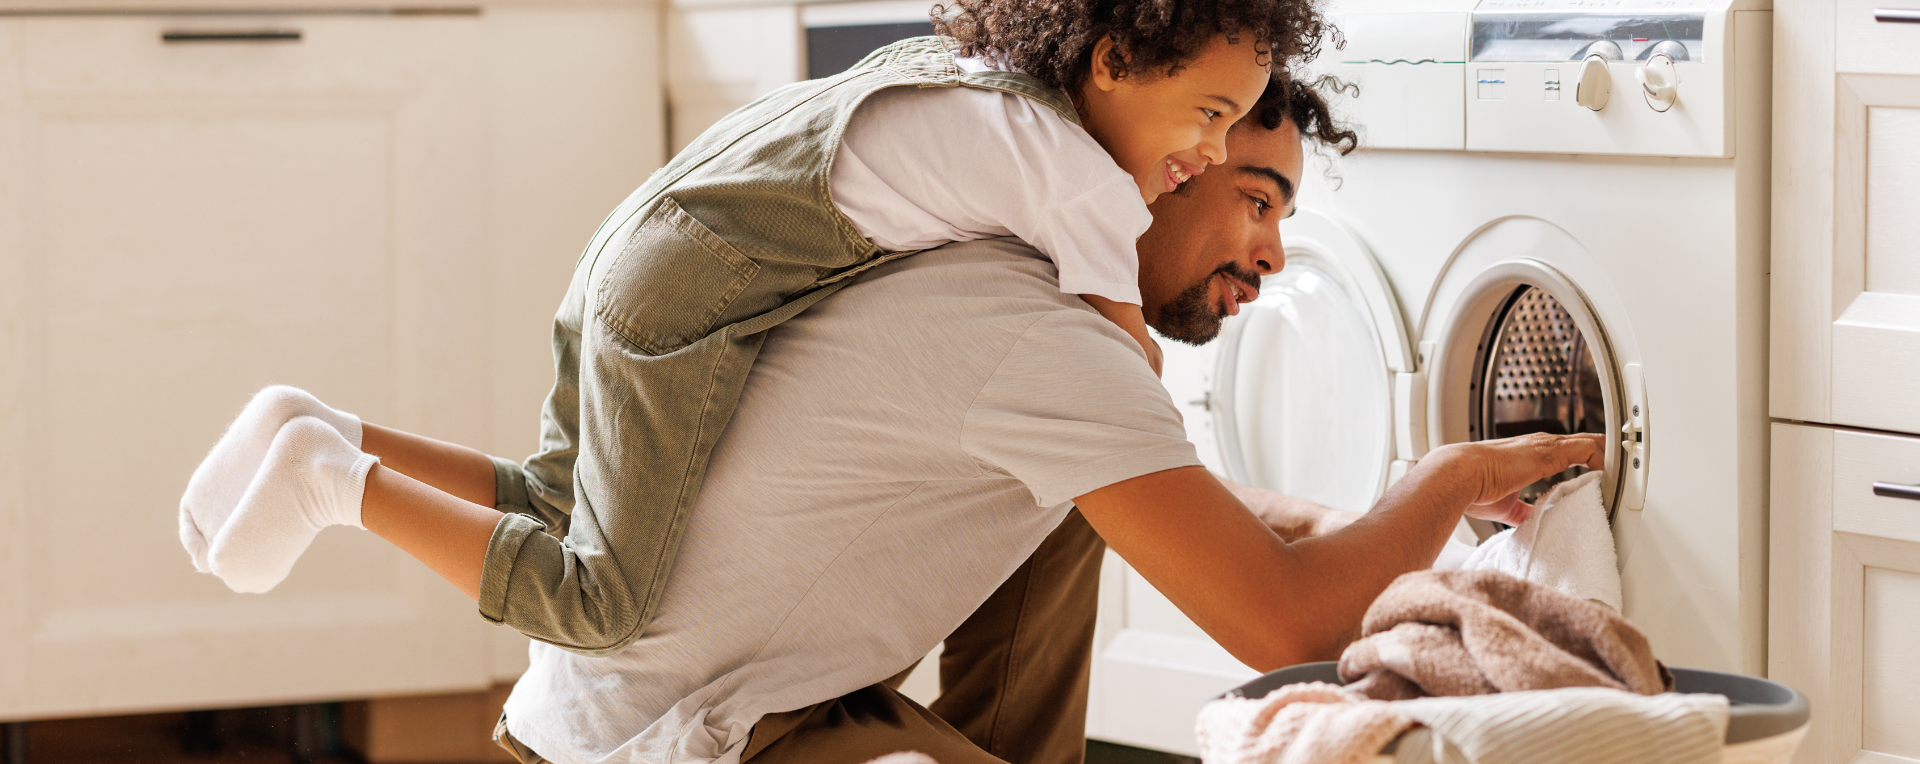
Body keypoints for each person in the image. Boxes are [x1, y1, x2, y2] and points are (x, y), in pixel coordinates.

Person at [177, 0, 1333, 655]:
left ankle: (324, 423)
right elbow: (1120, 371)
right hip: (683, 302)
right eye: (1213, 118)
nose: (1210, 149)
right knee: (601, 599)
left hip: (642, 249)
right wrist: (1234, 507)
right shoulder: (1076, 181)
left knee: (554, 495)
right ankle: (337, 481)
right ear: (1116, 58)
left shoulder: (979, 83)